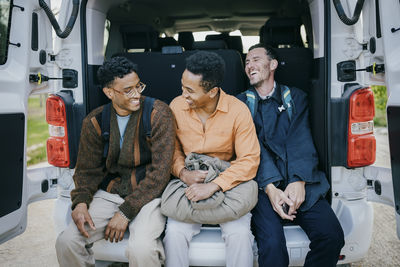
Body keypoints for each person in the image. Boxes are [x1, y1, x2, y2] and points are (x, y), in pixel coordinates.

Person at [55, 56, 175, 267]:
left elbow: (160, 174)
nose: (137, 93)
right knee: (67, 242)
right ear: (109, 93)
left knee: (142, 249)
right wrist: (81, 203)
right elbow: (86, 170)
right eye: (128, 90)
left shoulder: (158, 113)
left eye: (139, 86)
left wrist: (126, 212)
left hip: (149, 196)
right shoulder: (95, 121)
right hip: (110, 194)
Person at [237, 43, 345, 267]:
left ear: (273, 64)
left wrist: (299, 180)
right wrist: (270, 188)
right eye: (247, 62)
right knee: (273, 246)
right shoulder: (239, 104)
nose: (250, 65)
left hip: (301, 177)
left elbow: (301, 138)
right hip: (262, 184)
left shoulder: (296, 97)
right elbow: (250, 148)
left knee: (331, 236)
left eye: (256, 59)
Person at [163, 51, 260, 267]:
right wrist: (183, 173)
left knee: (240, 235)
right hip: (189, 179)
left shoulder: (238, 110)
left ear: (213, 91)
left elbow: (249, 160)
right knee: (175, 233)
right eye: (182, 86)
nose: (183, 94)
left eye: (190, 90)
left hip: (227, 181)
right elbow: (171, 151)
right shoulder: (176, 106)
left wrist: (215, 185)